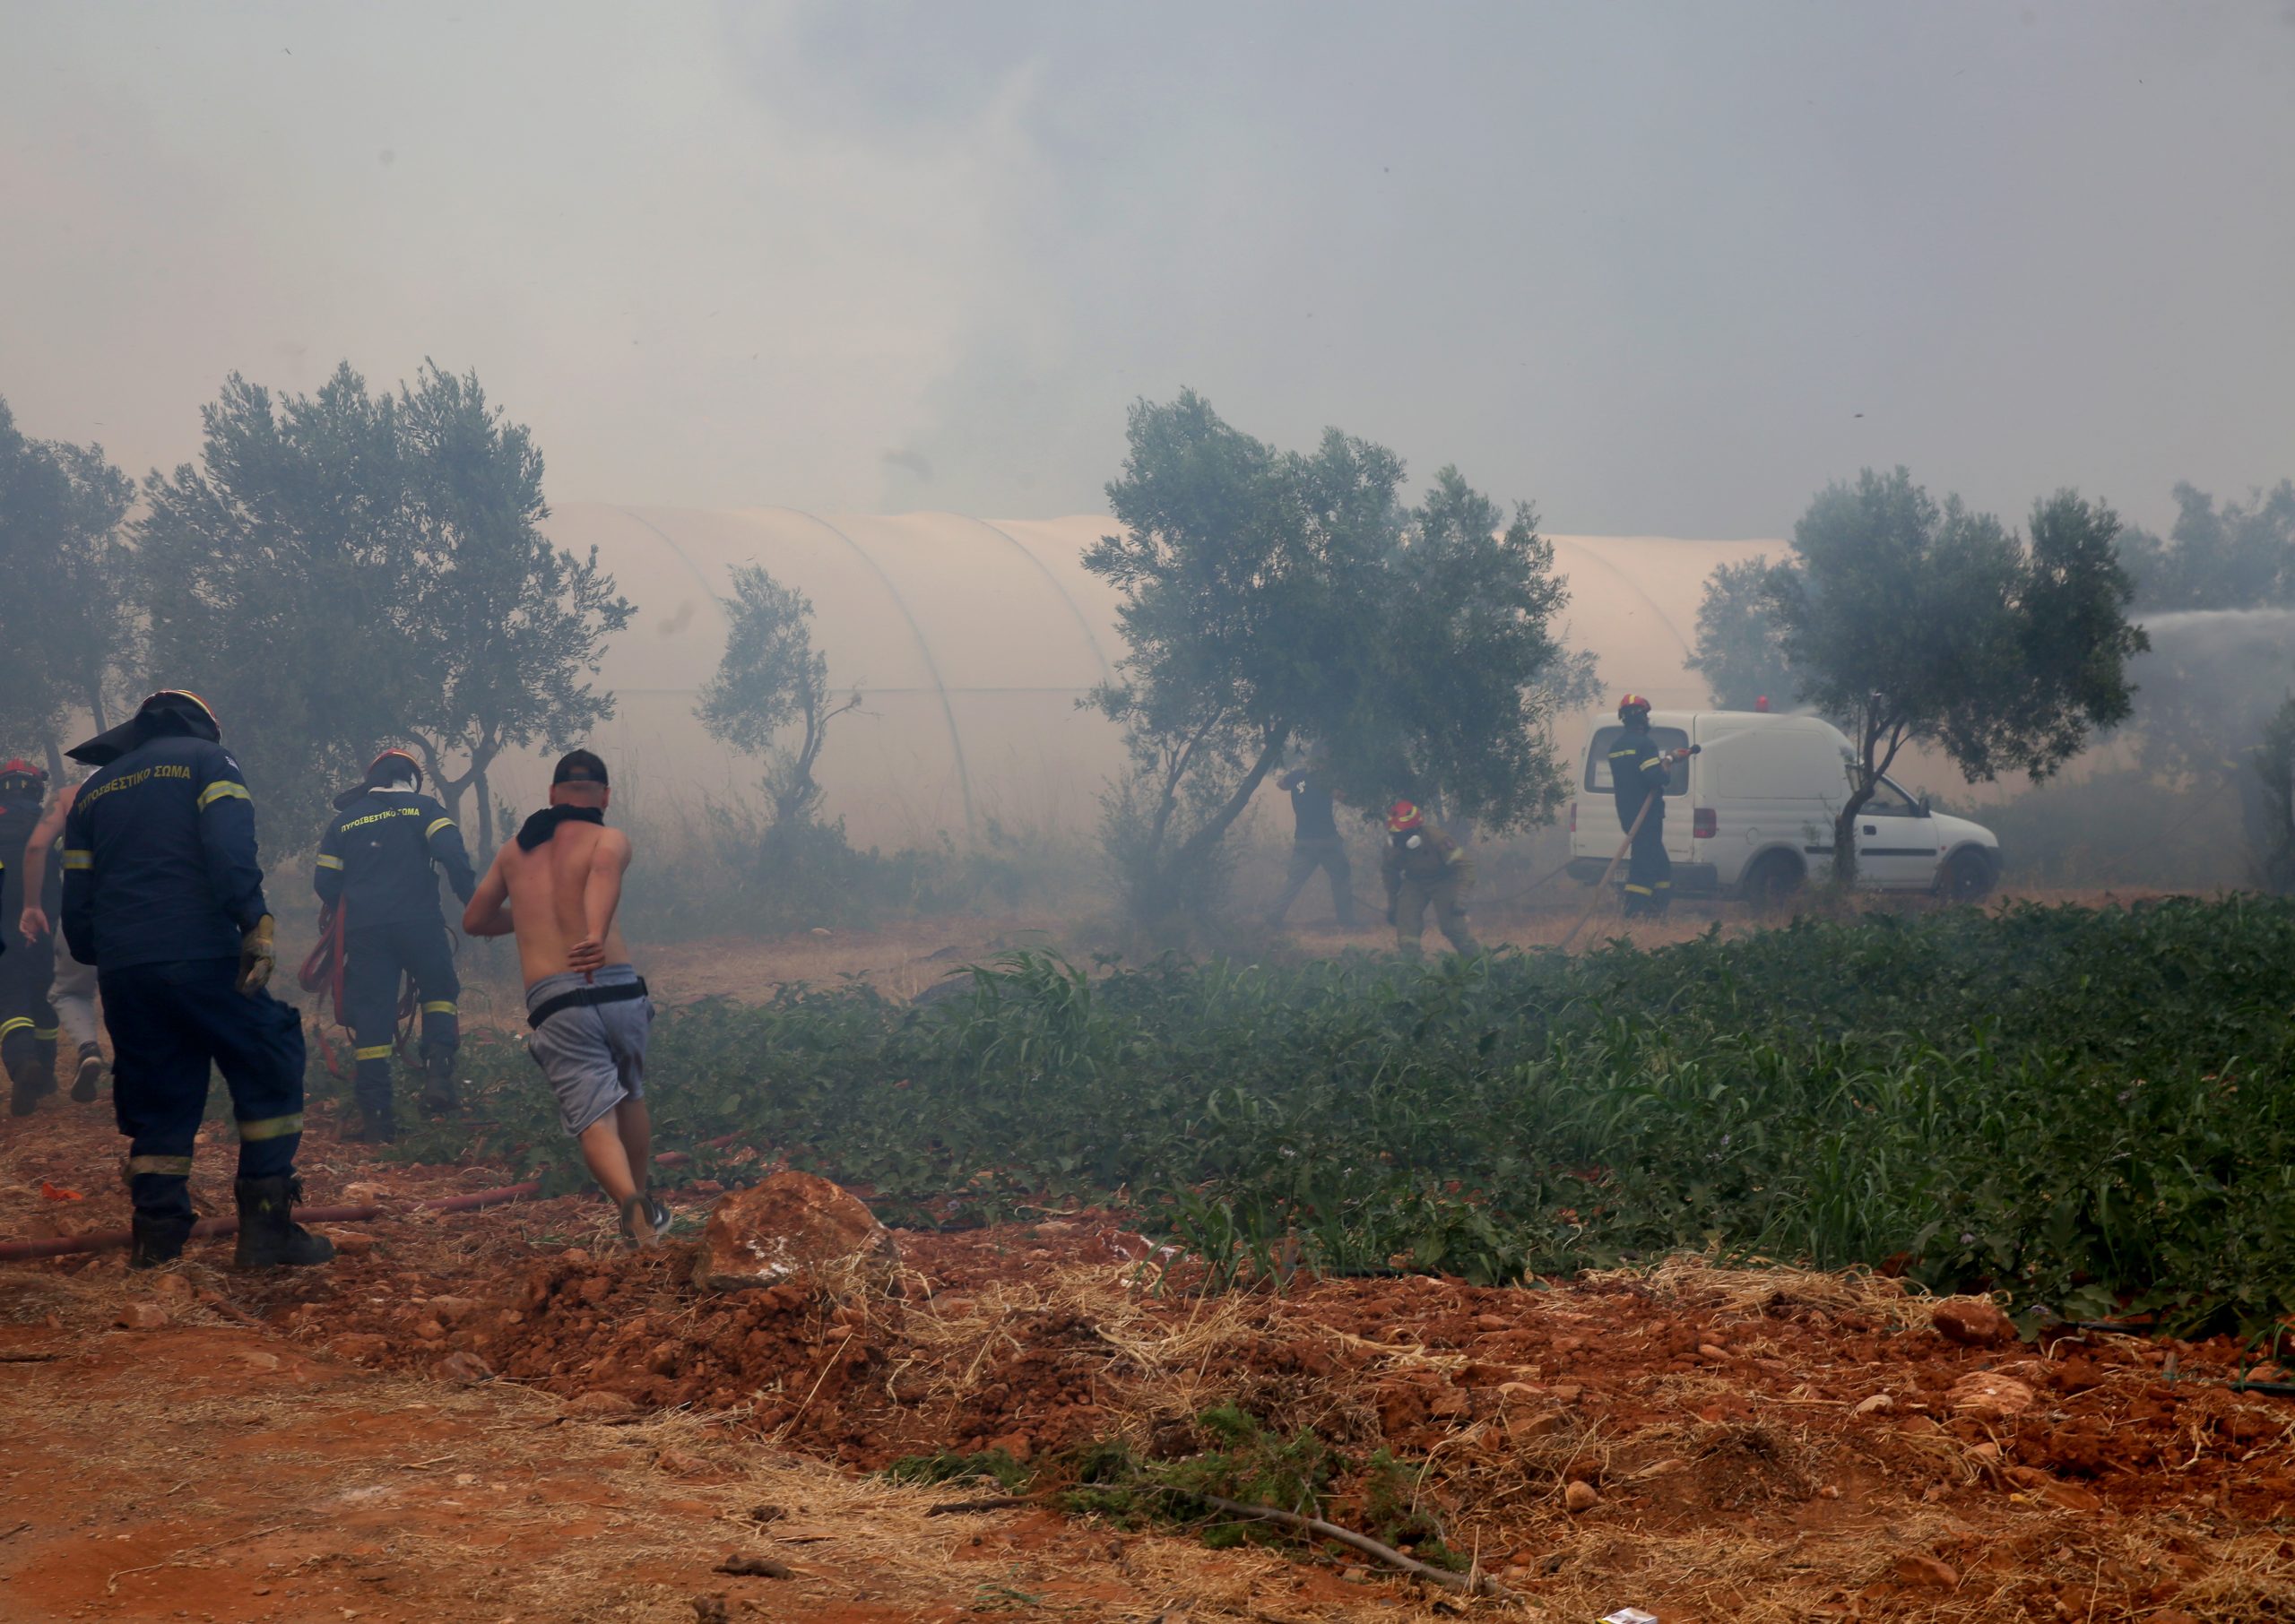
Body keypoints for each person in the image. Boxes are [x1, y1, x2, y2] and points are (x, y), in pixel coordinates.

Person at [61, 690, 332, 1270]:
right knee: (269, 1056)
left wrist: (109, 951)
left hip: (125, 970)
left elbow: (77, 906)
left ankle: (157, 1239)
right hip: (199, 952)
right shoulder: (209, 762)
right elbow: (228, 846)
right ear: (204, 725)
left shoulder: (92, 791)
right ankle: (266, 1230)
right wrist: (252, 917)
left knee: (160, 1092)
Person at [462, 749, 667, 1248]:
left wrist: (530, 914)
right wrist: (595, 932)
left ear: (552, 795)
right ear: (606, 796)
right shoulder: (610, 837)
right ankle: (642, 1200)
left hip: (558, 1003)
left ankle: (629, 1205)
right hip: (617, 985)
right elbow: (602, 874)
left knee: (595, 1119)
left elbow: (474, 921)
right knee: (631, 1092)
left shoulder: (514, 852)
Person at [314, 747, 478, 1142]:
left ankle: (377, 1119)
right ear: (412, 779)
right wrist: (473, 902)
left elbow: (325, 883)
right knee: (439, 993)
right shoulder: (426, 809)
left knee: (372, 1014)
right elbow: (453, 857)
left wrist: (354, 903)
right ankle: (438, 1078)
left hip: (367, 931)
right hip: (420, 924)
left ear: (372, 782)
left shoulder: (346, 821)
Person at [13, 772, 107, 1108]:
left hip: (80, 911)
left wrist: (32, 905)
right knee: (130, 989)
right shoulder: (154, 793)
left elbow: (38, 846)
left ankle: (87, 1048)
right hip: (139, 910)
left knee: (68, 991)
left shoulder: (70, 795)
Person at [1, 759, 63, 1115]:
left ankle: (24, 1063)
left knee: (10, 998)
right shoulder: (46, 822)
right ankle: (47, 1072)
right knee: (44, 992)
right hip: (42, 920)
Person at [1608, 695, 1694, 918]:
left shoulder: (1616, 747)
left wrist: (1668, 759)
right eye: (1646, 715)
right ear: (1641, 717)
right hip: (1645, 816)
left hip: (1628, 814)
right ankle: (1634, 913)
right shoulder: (1645, 744)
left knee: (1661, 867)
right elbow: (1655, 778)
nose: (1648, 719)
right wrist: (1669, 761)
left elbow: (1634, 775)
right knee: (1644, 868)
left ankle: (1656, 912)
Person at [1266, 751, 1356, 929]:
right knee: (1341, 878)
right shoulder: (1327, 780)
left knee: (1293, 882)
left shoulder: (1298, 775)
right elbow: (1343, 797)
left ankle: (1274, 916)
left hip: (1303, 841)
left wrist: (1299, 784)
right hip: (1327, 840)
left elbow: (1280, 784)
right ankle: (1346, 921)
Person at [1381, 800, 1480, 959]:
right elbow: (1389, 874)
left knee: (1453, 928)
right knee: (1406, 927)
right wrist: (1393, 903)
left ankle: (1479, 964)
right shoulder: (1392, 847)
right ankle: (1414, 969)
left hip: (1444, 880)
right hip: (1414, 882)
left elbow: (1465, 866)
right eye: (1395, 834)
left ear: (1415, 831)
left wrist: (1461, 897)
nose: (1398, 839)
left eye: (1402, 835)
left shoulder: (1437, 838)